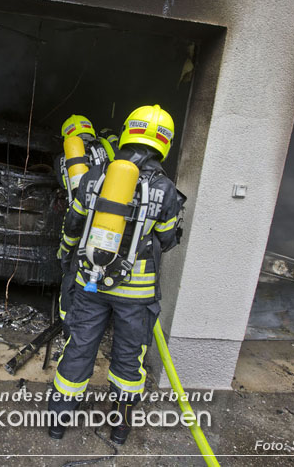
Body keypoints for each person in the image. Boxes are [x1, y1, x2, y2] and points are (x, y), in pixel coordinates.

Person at [49, 104, 184, 445]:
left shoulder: (95, 176)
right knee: (128, 359)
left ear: (128, 131)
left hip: (90, 281)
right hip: (136, 294)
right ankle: (120, 427)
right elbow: (168, 240)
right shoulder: (166, 190)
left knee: (78, 347)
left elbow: (73, 224)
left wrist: (66, 253)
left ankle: (58, 421)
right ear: (165, 141)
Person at [55, 115, 115, 330]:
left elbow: (67, 186)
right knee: (103, 268)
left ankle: (68, 325)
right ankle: (96, 323)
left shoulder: (68, 156)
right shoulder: (107, 147)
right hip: (110, 222)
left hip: (81, 220)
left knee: (72, 271)